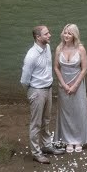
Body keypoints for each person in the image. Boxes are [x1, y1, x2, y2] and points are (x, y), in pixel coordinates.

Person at [20, 25, 65, 163]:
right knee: (36, 123)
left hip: (48, 88)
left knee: (46, 120)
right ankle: (36, 153)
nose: (50, 35)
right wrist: (32, 92)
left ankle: (46, 146)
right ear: (38, 37)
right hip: (37, 91)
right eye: (46, 34)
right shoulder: (31, 55)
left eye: (48, 33)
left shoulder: (47, 48)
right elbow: (24, 80)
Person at [55, 23, 87, 152]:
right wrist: (63, 84)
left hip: (77, 84)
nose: (66, 35)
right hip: (63, 85)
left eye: (69, 33)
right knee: (66, 113)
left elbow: (84, 69)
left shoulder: (81, 49)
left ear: (74, 35)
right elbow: (56, 68)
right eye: (65, 32)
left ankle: (79, 140)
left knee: (79, 111)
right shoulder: (59, 48)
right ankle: (67, 140)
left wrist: (75, 85)